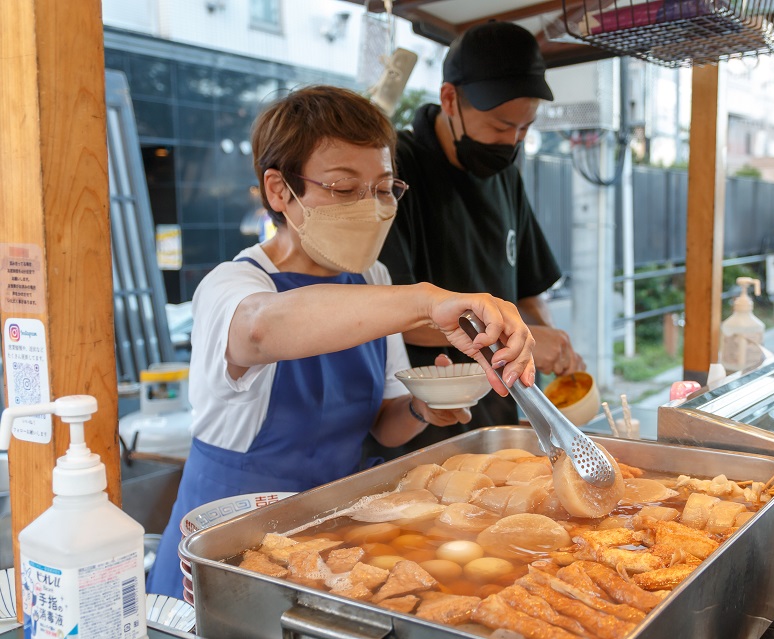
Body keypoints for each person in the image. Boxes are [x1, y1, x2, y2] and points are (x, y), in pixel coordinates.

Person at [147, 85, 536, 599]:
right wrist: (424, 299)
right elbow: (263, 327)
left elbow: (382, 421)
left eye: (381, 189)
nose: (371, 208)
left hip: (332, 541)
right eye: (342, 187)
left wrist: (422, 410)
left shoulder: (371, 278)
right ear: (280, 191)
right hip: (228, 553)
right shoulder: (234, 285)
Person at [373, 21, 584, 458]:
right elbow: (392, 314)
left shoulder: (505, 172)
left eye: (525, 129)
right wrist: (516, 337)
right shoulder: (393, 173)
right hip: (426, 423)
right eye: (501, 126)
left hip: (502, 416)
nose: (512, 142)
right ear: (450, 99)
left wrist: (546, 345)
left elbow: (526, 289)